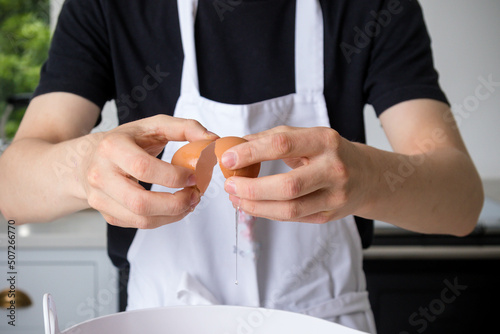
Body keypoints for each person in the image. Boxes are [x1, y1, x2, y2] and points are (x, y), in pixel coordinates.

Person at [0, 0, 484, 332]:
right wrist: (83, 164)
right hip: (163, 318)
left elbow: (461, 201)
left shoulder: (370, 7)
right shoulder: (111, 7)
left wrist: (370, 178)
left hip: (323, 319)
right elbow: (11, 186)